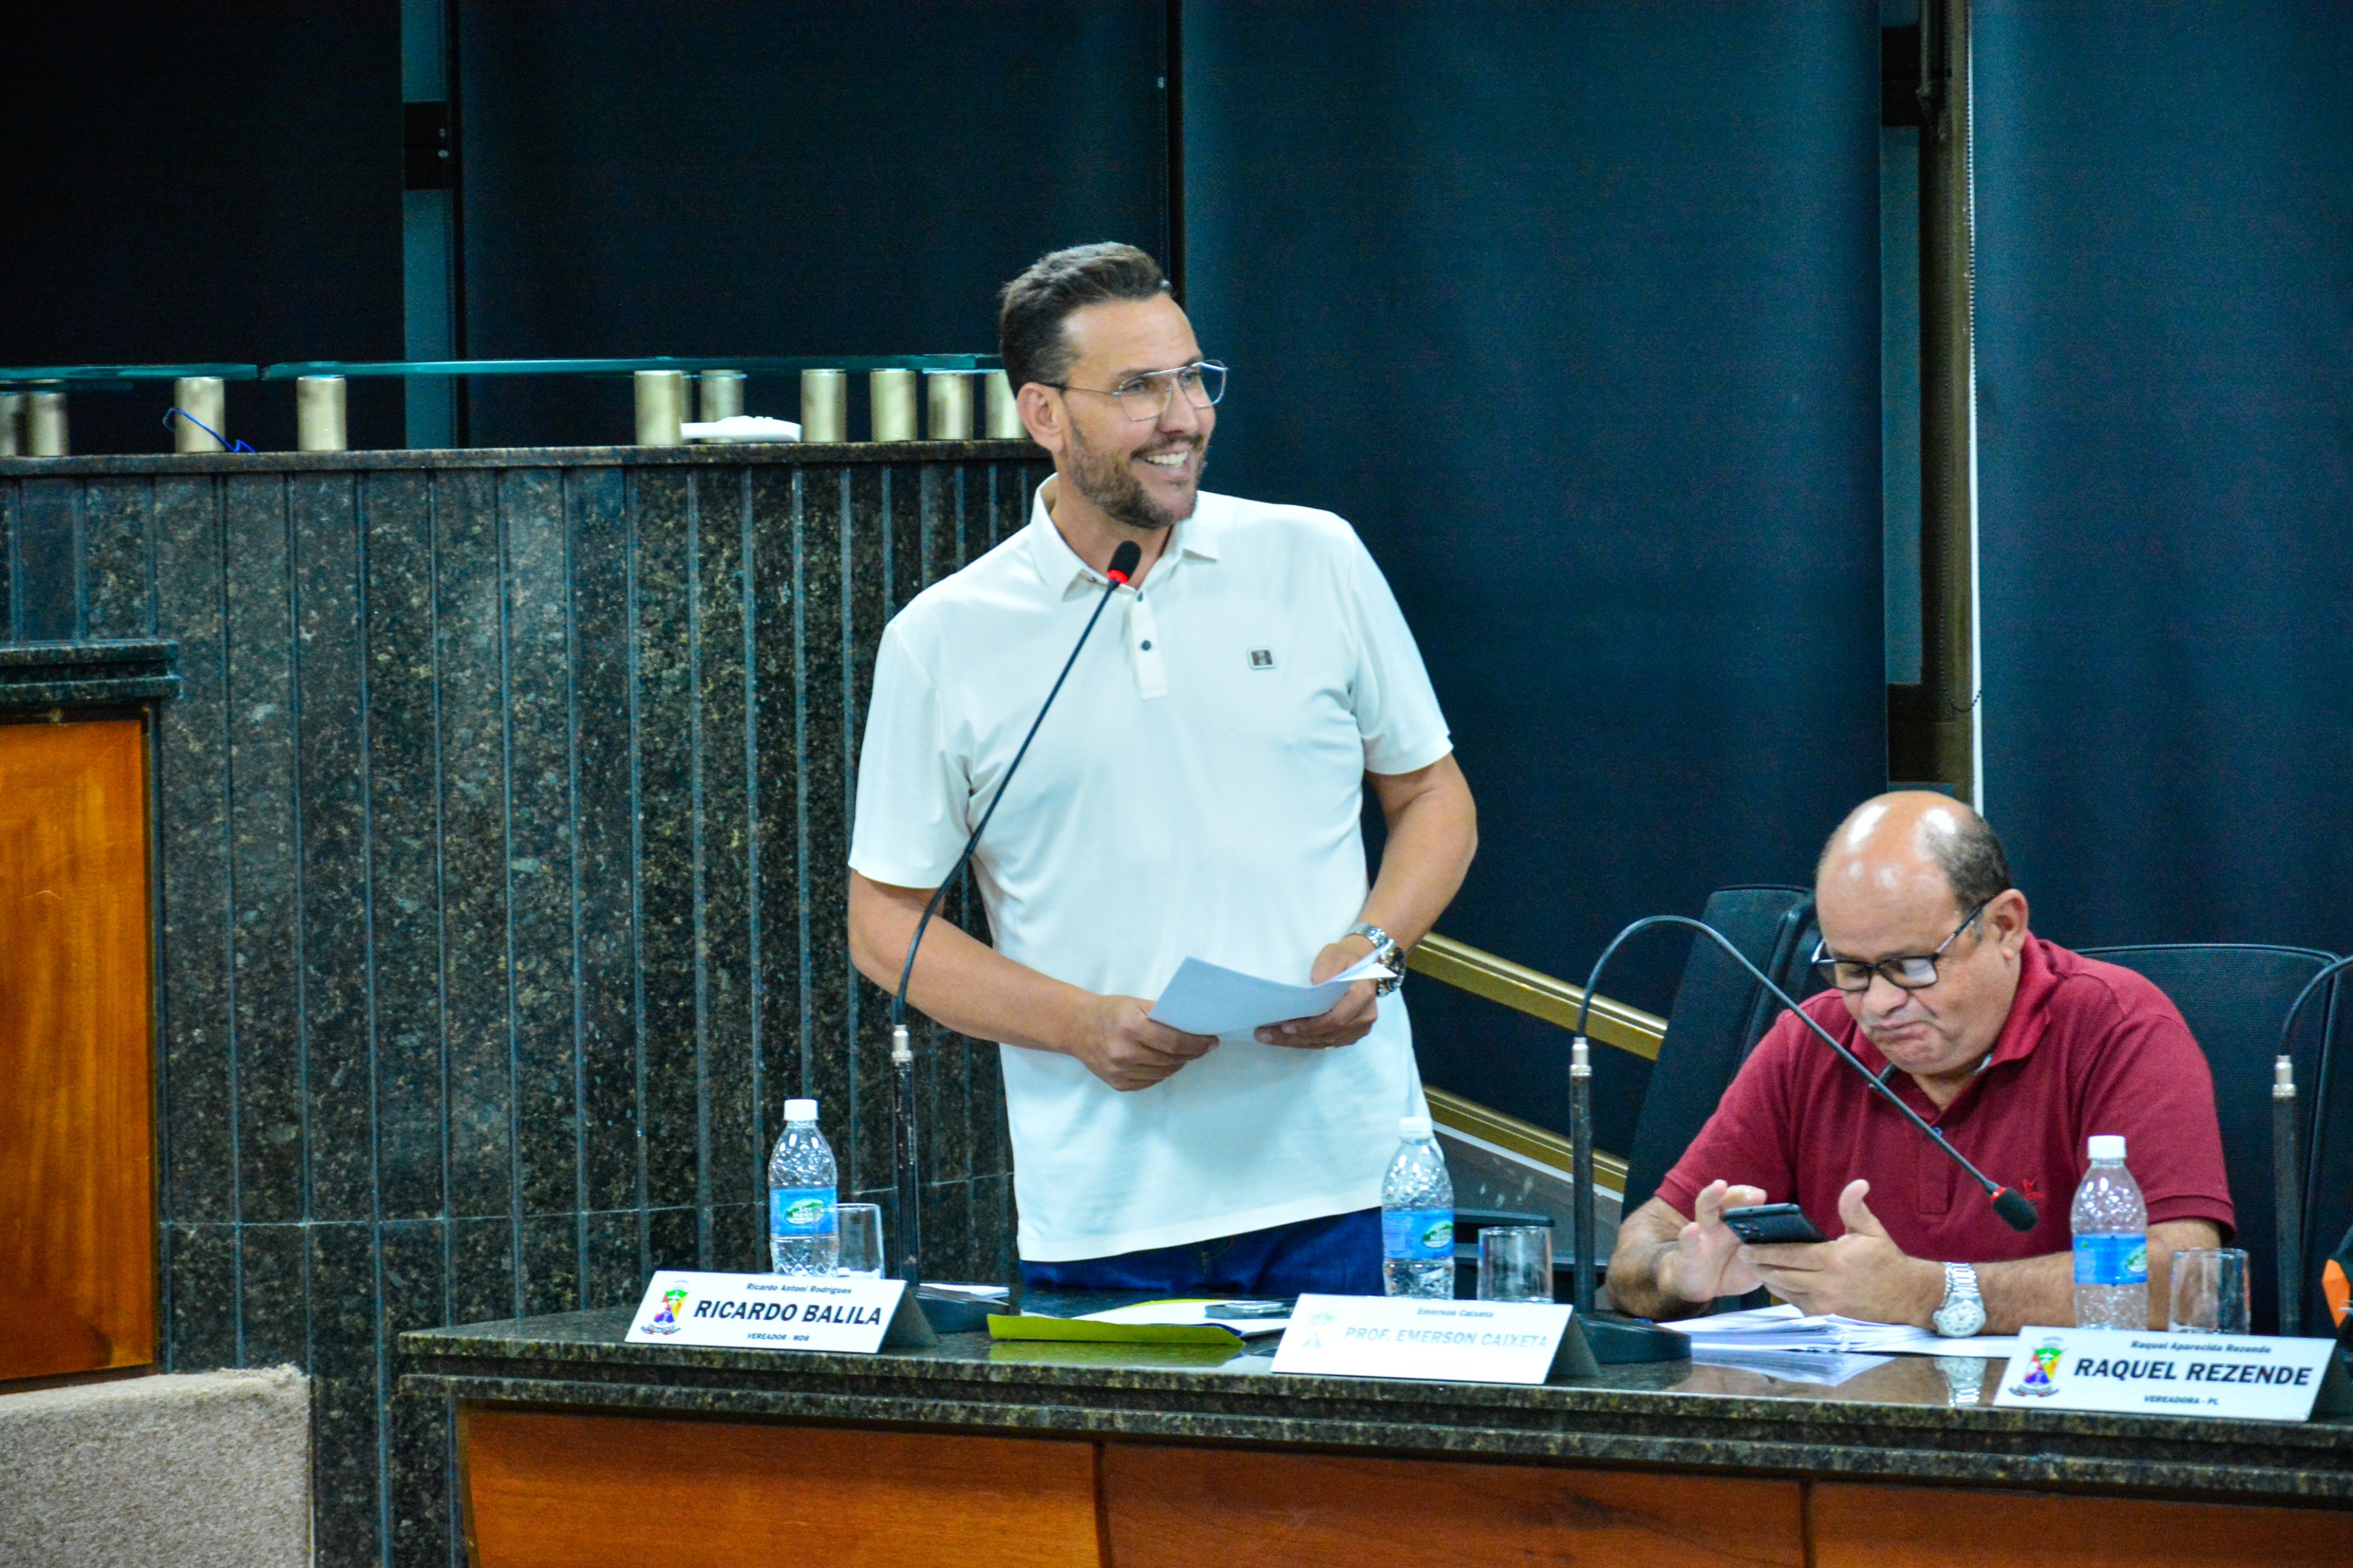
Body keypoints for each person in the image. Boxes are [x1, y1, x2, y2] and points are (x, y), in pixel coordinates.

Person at [846, 243, 1478, 1295]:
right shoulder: (944, 637)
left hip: (1353, 1186)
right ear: (1044, 414)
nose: (1183, 417)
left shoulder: (1315, 556)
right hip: (1104, 1214)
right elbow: (884, 925)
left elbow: (1432, 795)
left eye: (1193, 378)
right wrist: (1079, 1024)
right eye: (1139, 388)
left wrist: (1376, 947)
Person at [1607, 792, 2231, 1334]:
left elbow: (2183, 1277)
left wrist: (1929, 1293)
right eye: (1852, 969)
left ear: (2005, 926)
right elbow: (1637, 1252)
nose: (1878, 1004)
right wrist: (1679, 1273)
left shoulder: (2117, 1026)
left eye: (1910, 966)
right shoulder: (1812, 1040)